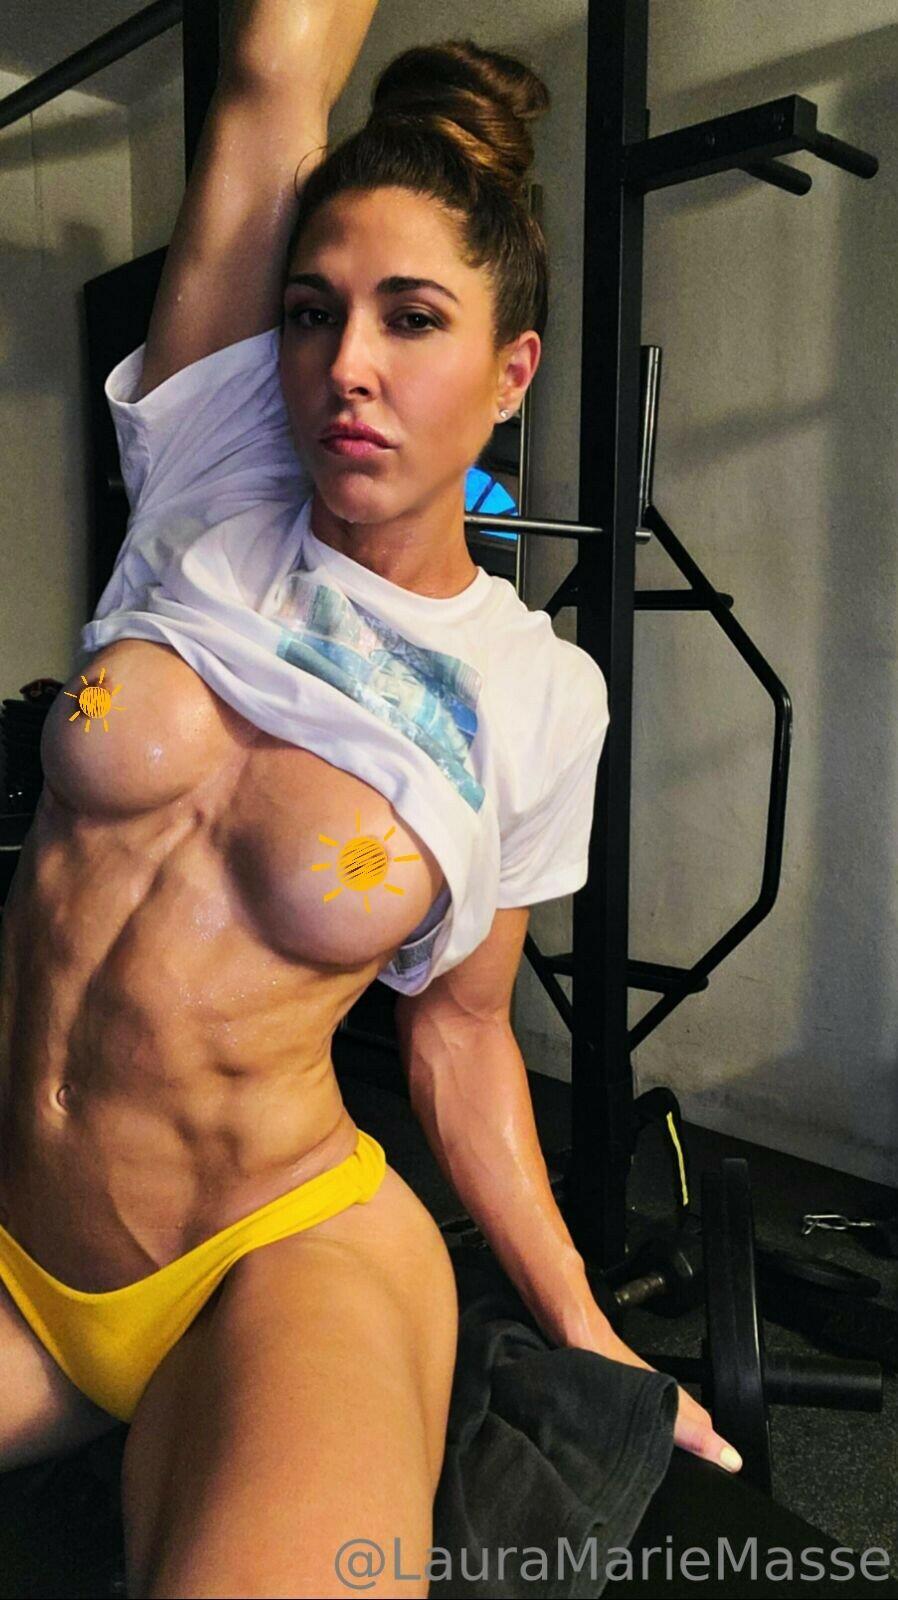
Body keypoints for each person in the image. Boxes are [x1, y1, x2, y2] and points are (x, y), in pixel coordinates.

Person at [0, 3, 748, 1594]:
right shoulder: (212, 476)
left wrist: (585, 1325)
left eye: (412, 320)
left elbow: (460, 1037)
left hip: (272, 1252)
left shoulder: (536, 695)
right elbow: (277, 68)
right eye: (310, 312)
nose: (346, 365)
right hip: (22, 1240)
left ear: (508, 372)